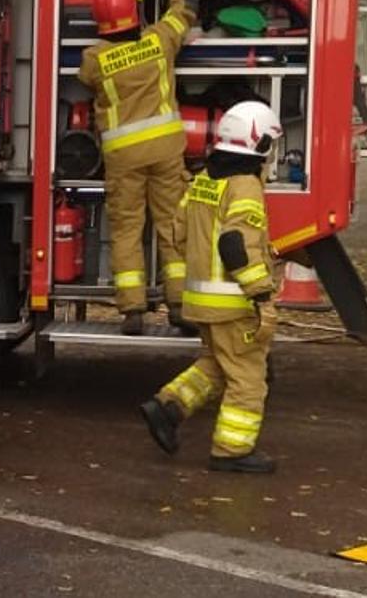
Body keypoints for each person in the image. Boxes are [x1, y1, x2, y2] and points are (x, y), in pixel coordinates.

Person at [138, 101, 283, 473]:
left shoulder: (203, 179)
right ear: (260, 144)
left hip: (201, 301)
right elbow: (236, 244)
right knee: (249, 380)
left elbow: (176, 231)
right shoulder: (245, 185)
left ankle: (168, 407)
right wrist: (261, 296)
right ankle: (232, 451)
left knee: (218, 365)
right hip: (233, 304)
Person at [78, 0, 197, 335]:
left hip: (122, 160)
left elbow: (85, 81)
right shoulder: (159, 41)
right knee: (171, 225)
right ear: (135, 13)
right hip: (166, 151)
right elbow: (185, 12)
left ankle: (132, 310)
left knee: (127, 230)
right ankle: (179, 304)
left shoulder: (93, 60)